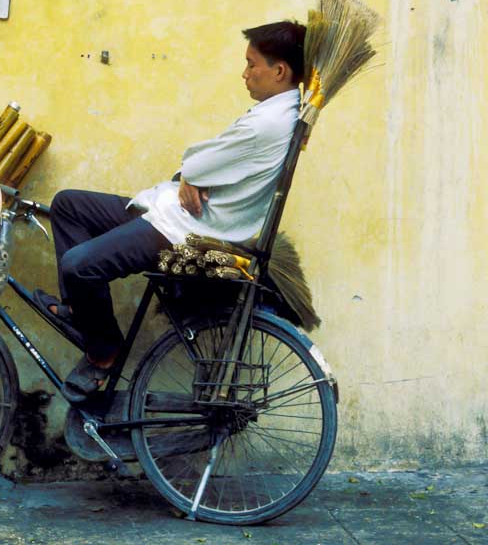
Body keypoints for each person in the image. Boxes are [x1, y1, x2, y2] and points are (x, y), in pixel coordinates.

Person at [34, 21, 306, 403]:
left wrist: (192, 173)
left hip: (188, 231)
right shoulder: (277, 114)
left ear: (280, 71)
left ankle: (103, 350)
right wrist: (190, 174)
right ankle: (84, 316)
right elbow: (199, 165)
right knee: (69, 206)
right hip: (173, 212)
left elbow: (198, 160)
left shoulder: (268, 122)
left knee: (79, 265)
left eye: (251, 64)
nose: (244, 74)